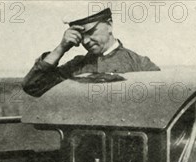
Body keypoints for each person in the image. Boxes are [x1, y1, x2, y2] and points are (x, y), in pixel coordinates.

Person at [22, 7, 159, 97]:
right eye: (81, 36)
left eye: (90, 32)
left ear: (109, 25)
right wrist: (61, 48)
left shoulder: (140, 64)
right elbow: (32, 86)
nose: (86, 41)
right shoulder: (76, 66)